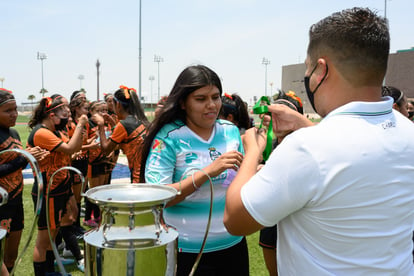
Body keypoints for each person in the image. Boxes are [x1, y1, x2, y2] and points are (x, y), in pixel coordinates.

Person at [224, 7, 414, 275]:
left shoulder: (306, 148)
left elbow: (235, 219)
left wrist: (253, 150)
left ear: (321, 70)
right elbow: (355, 159)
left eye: (308, 67)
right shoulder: (408, 131)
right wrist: (307, 126)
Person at [141, 65, 248, 275]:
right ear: (183, 102)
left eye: (215, 97)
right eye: (201, 99)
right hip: (186, 250)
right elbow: (157, 198)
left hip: (233, 244)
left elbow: (238, 181)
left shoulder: (230, 132)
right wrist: (207, 172)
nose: (211, 105)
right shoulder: (168, 138)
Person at [28, 95, 87, 275]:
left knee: (53, 235)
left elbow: (73, 149)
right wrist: (81, 123)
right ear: (51, 115)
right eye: (64, 113)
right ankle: (43, 272)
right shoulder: (42, 132)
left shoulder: (57, 130)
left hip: (61, 186)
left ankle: (50, 268)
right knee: (44, 239)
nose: (68, 117)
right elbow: (69, 149)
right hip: (48, 191)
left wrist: (79, 133)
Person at [0, 89, 48, 275]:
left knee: (11, 256)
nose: (14, 114)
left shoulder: (13, 132)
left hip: (16, 200)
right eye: (7, 110)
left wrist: (36, 159)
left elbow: (16, 166)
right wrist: (24, 159)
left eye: (15, 109)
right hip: (1, 204)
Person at [95, 86, 148, 183]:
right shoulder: (142, 120)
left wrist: (101, 125)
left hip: (138, 177)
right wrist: (113, 123)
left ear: (118, 105)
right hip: (149, 174)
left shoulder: (124, 124)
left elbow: (106, 150)